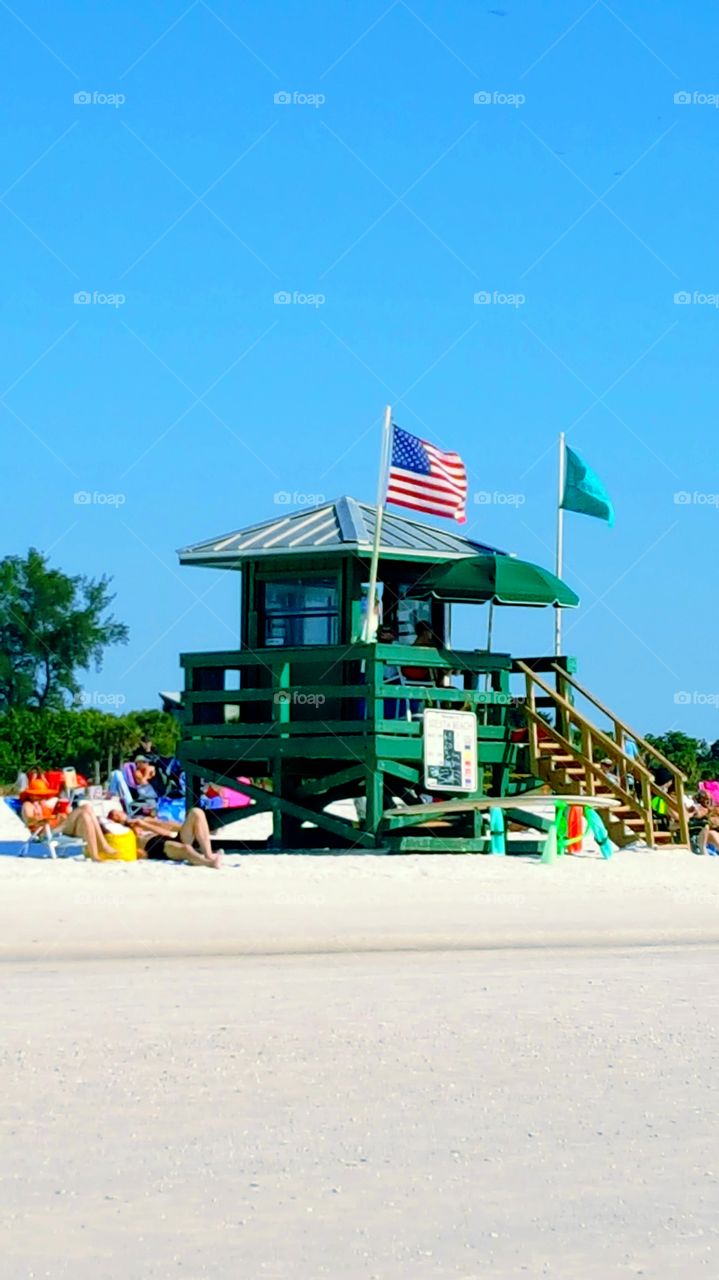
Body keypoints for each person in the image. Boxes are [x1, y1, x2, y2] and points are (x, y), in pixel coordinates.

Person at [108, 806, 223, 868]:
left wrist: (145, 824)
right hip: (156, 847)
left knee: (196, 812)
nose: (118, 813)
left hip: (168, 839)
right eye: (115, 814)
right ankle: (209, 863)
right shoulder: (125, 833)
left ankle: (208, 854)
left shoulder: (140, 822)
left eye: (118, 811)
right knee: (186, 849)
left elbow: (168, 832)